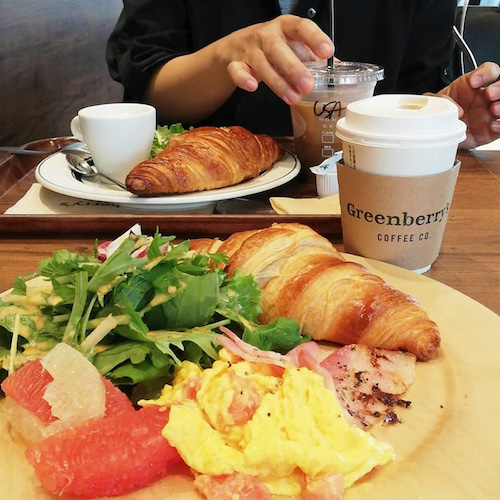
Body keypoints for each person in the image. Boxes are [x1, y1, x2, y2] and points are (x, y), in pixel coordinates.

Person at [106, 0, 500, 149]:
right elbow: (149, 88)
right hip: (202, 210)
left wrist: (440, 117)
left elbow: (415, 90)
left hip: (368, 208)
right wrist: (225, 55)